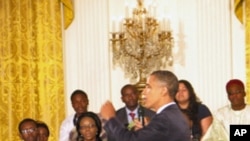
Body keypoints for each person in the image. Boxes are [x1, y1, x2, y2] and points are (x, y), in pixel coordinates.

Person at [100, 70, 190, 141]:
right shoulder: (174, 114)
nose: (143, 92)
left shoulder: (164, 119)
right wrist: (146, 131)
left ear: (163, 91)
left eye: (148, 87)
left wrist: (111, 118)